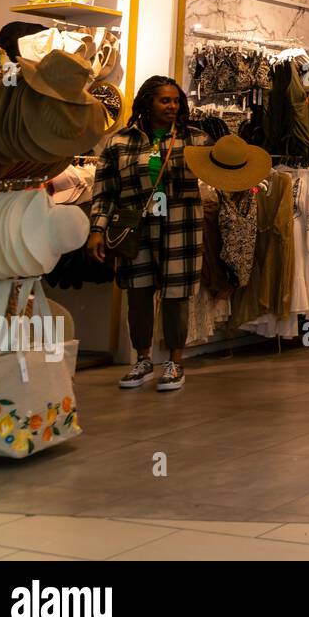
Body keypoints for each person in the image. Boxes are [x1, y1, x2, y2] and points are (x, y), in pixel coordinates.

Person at [87, 75, 207, 392]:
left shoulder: (196, 140)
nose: (171, 106)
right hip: (136, 226)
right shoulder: (120, 143)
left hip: (180, 225)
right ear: (146, 103)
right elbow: (104, 192)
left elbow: (221, 175)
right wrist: (97, 229)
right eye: (164, 100)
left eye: (176, 101)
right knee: (138, 295)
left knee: (176, 297)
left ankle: (175, 362)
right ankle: (143, 359)